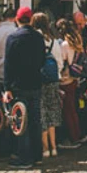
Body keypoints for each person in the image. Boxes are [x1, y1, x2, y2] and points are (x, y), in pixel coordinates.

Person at [4, 7, 45, 169]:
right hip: (35, 83)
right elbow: (42, 60)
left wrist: (7, 87)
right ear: (31, 19)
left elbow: (8, 64)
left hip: (19, 85)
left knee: (20, 121)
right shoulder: (38, 37)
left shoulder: (13, 37)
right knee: (35, 120)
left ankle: (24, 157)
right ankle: (37, 155)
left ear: (17, 19)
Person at [32, 13, 63, 159]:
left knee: (42, 113)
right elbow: (59, 63)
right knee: (52, 111)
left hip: (38, 80)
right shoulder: (53, 41)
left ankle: (44, 148)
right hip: (53, 80)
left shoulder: (34, 38)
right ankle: (54, 146)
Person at [57, 19, 83, 149]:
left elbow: (61, 62)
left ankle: (72, 139)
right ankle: (77, 134)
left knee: (67, 111)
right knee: (73, 109)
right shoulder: (77, 41)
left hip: (65, 79)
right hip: (74, 78)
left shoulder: (64, 45)